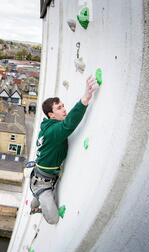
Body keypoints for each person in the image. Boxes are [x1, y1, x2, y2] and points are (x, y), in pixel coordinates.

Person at [30, 76, 99, 224]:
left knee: (35, 201)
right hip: (43, 183)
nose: (64, 109)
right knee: (53, 219)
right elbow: (68, 125)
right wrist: (85, 99)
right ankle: (37, 203)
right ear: (51, 115)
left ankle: (35, 201)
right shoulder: (52, 131)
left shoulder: (48, 125)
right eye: (59, 108)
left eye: (63, 105)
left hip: (43, 175)